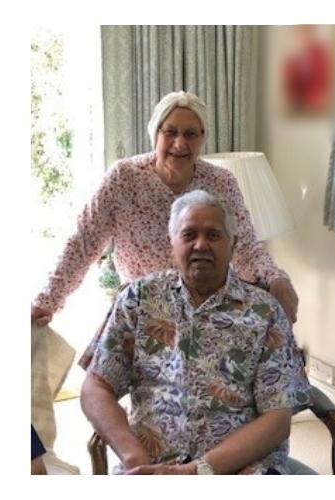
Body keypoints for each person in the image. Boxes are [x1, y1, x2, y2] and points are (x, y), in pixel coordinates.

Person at [81, 190, 309, 474]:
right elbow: (96, 386)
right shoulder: (138, 298)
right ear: (172, 243)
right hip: (151, 467)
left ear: (233, 243)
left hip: (242, 469)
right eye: (189, 235)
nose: (201, 245)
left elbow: (277, 417)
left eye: (213, 235)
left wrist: (196, 472)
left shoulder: (265, 312)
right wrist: (133, 457)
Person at [31, 91, 299, 332]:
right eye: (170, 132)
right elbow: (83, 243)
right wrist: (47, 302)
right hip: (143, 310)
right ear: (155, 134)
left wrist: (276, 278)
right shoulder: (124, 178)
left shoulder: (222, 182)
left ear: (202, 139)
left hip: (208, 311)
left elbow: (246, 248)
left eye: (191, 134)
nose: (180, 144)